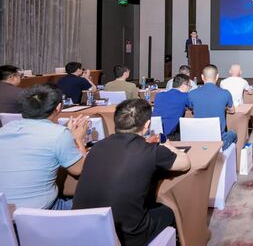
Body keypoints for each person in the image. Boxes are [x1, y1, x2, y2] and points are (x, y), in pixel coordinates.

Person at [73, 99, 190, 246]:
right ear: (147, 125)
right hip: (128, 236)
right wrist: (167, 144)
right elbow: (185, 163)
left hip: (84, 232)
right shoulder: (152, 152)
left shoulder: (97, 147)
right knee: (168, 212)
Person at [0, 84, 88, 209]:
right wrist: (78, 138)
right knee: (95, 201)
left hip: (3, 213)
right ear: (58, 107)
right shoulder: (59, 134)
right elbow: (80, 170)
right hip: (39, 213)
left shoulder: (5, 128)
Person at [187, 64, 237, 150]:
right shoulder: (225, 93)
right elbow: (232, 110)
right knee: (233, 133)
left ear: (202, 77)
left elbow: (191, 108)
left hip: (198, 137)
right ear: (217, 77)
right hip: (218, 139)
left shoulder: (191, 93)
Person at [153, 74, 192, 139]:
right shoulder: (185, 96)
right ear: (184, 85)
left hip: (154, 132)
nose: (189, 89)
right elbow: (194, 106)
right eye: (189, 86)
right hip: (170, 135)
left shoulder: (159, 95)